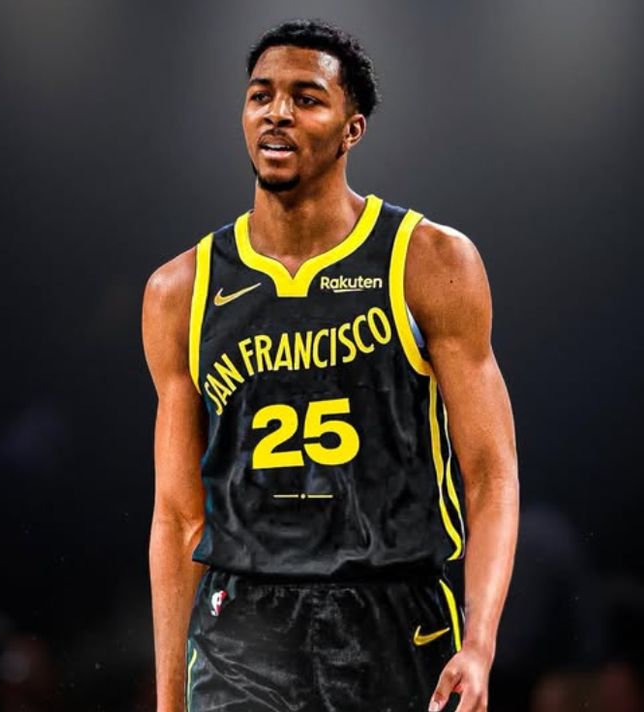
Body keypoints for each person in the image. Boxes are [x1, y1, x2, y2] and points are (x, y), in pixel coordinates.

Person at [142, 19, 519, 712]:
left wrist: (480, 641)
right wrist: (169, 697)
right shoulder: (181, 290)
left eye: (306, 98)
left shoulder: (429, 260)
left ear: (352, 130)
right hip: (244, 623)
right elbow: (176, 517)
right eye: (261, 96)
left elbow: (491, 475)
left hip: (395, 611)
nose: (277, 112)